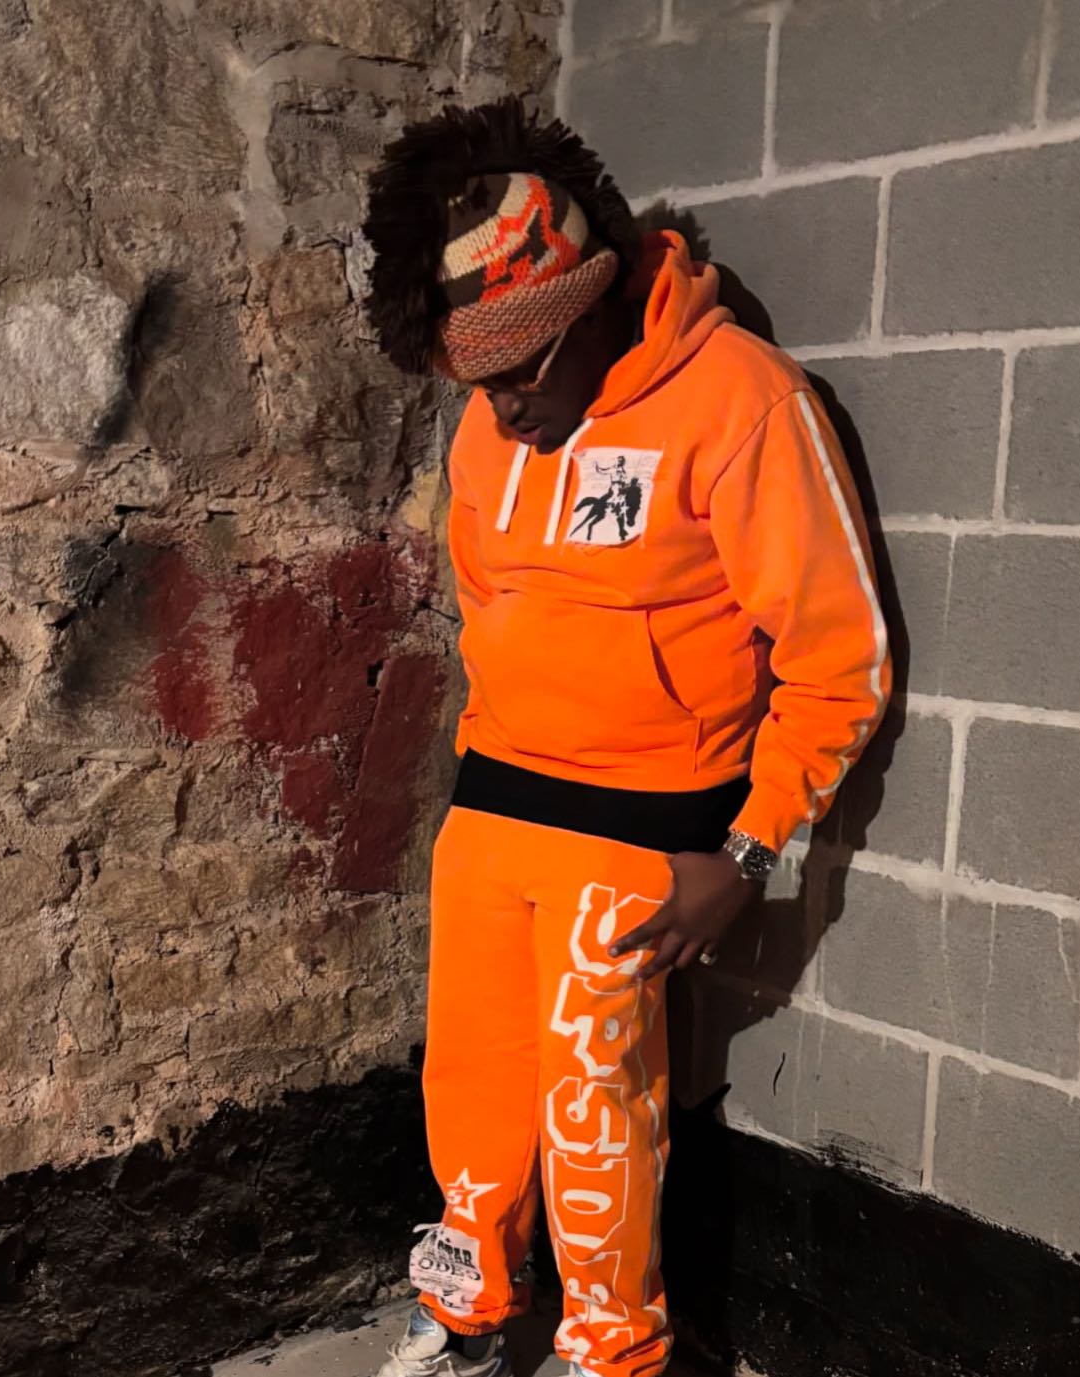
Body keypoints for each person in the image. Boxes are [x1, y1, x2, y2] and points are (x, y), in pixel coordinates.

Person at [360, 97, 891, 1377]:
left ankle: (617, 1355)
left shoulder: (742, 401)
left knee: (596, 1117)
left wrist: (746, 853)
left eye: (520, 374)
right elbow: (490, 605)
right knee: (472, 1092)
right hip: (496, 801)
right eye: (474, 382)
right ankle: (469, 1317)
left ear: (592, 301)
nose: (499, 410)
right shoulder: (493, 421)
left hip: (643, 827)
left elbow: (840, 659)